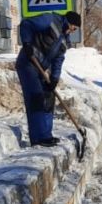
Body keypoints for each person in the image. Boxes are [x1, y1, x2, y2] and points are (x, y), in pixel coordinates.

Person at [15, 11, 81, 147]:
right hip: (28, 62)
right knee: (36, 98)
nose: (73, 30)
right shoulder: (50, 19)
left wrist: (54, 79)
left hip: (40, 68)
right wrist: (26, 43)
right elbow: (26, 24)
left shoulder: (64, 40)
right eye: (74, 27)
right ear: (69, 21)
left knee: (49, 96)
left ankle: (46, 135)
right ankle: (37, 138)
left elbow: (58, 60)